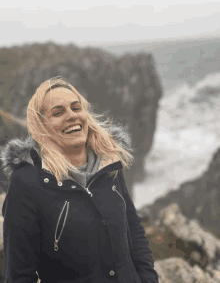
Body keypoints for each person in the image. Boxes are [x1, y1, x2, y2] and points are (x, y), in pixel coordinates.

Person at [0, 77, 159, 283]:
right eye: (58, 112)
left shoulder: (109, 165)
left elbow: (135, 237)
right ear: (41, 126)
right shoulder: (27, 184)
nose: (72, 116)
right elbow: (19, 275)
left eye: (76, 108)